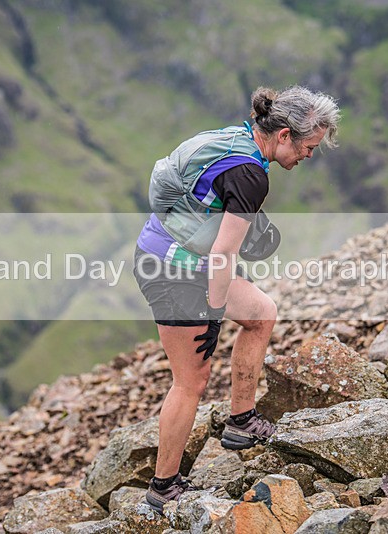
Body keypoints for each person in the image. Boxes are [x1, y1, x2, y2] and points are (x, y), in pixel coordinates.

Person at [133, 85, 340, 513]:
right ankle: (163, 486)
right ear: (283, 135)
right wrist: (211, 313)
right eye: (307, 147)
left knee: (262, 313)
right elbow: (224, 253)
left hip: (184, 256)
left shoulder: (238, 138)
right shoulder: (251, 174)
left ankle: (241, 422)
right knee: (190, 380)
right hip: (170, 268)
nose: (309, 156)